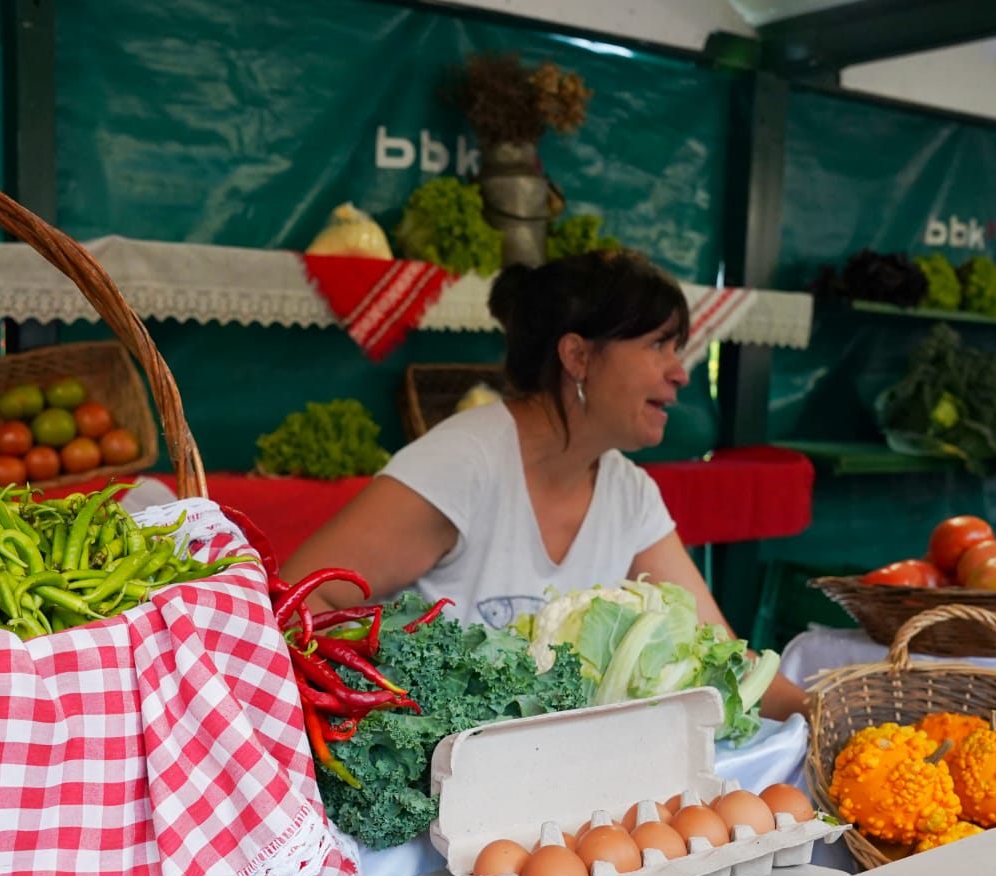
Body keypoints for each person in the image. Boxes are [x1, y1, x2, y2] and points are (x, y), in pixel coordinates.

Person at [283, 248, 806, 722]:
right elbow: (299, 597)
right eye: (658, 345)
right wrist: (391, 711)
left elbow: (721, 652)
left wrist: (820, 713)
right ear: (577, 356)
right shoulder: (464, 463)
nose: (681, 373)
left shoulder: (629, 492)